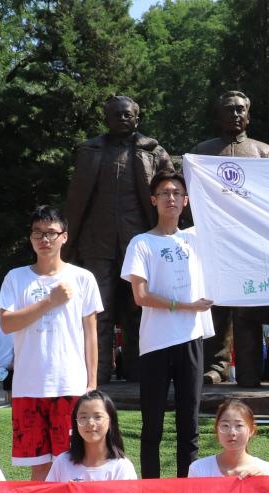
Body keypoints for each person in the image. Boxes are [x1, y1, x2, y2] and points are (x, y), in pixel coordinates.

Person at [64, 95, 174, 384]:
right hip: (96, 242)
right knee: (98, 309)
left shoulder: (153, 150)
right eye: (117, 114)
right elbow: (77, 198)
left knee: (139, 308)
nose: (123, 118)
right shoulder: (90, 150)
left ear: (137, 118)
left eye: (128, 114)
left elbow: (170, 189)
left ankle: (140, 372)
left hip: (139, 242)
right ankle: (97, 374)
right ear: (106, 118)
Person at [122, 170, 215, 479]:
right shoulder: (142, 243)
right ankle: (151, 489)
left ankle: (186, 489)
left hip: (191, 338)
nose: (171, 198)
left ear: (186, 201)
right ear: (154, 200)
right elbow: (141, 296)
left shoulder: (197, 238)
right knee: (153, 424)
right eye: (164, 193)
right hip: (156, 342)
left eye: (177, 193)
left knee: (189, 423)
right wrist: (186, 306)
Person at [0, 206, 101, 481]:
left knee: (73, 463)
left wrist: (91, 383)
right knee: (39, 467)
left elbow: (90, 334)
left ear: (64, 237)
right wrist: (49, 301)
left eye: (51, 233)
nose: (44, 239)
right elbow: (6, 323)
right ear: (31, 238)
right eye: (38, 233)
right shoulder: (16, 277)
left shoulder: (82, 278)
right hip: (28, 386)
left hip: (69, 384)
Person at [192, 90, 269, 387]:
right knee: (214, 305)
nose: (235, 114)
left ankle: (250, 370)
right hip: (214, 239)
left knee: (248, 309)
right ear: (219, 116)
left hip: (250, 242)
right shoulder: (202, 152)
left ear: (249, 115)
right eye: (229, 110)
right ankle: (216, 366)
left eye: (241, 109)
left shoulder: (263, 152)